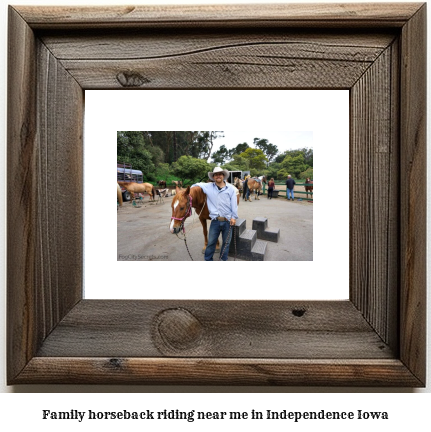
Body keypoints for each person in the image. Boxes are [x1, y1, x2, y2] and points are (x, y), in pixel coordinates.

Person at [192, 167, 238, 261]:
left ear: (223, 176)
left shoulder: (231, 189)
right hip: (215, 221)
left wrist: (234, 217)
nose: (218, 176)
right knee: (211, 242)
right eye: (216, 174)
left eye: (220, 174)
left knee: (226, 243)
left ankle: (223, 260)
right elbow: (195, 185)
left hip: (227, 221)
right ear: (213, 177)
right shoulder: (208, 186)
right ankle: (208, 260)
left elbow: (234, 204)